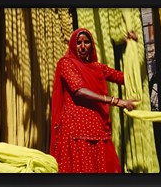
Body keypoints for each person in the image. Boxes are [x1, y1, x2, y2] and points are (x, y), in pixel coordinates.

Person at [50, 28, 137, 173]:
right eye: (78, 43)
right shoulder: (66, 63)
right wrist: (115, 101)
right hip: (75, 128)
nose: (82, 46)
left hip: (96, 127)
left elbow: (125, 78)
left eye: (86, 42)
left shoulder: (97, 67)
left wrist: (131, 48)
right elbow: (79, 91)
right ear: (73, 45)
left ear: (92, 45)